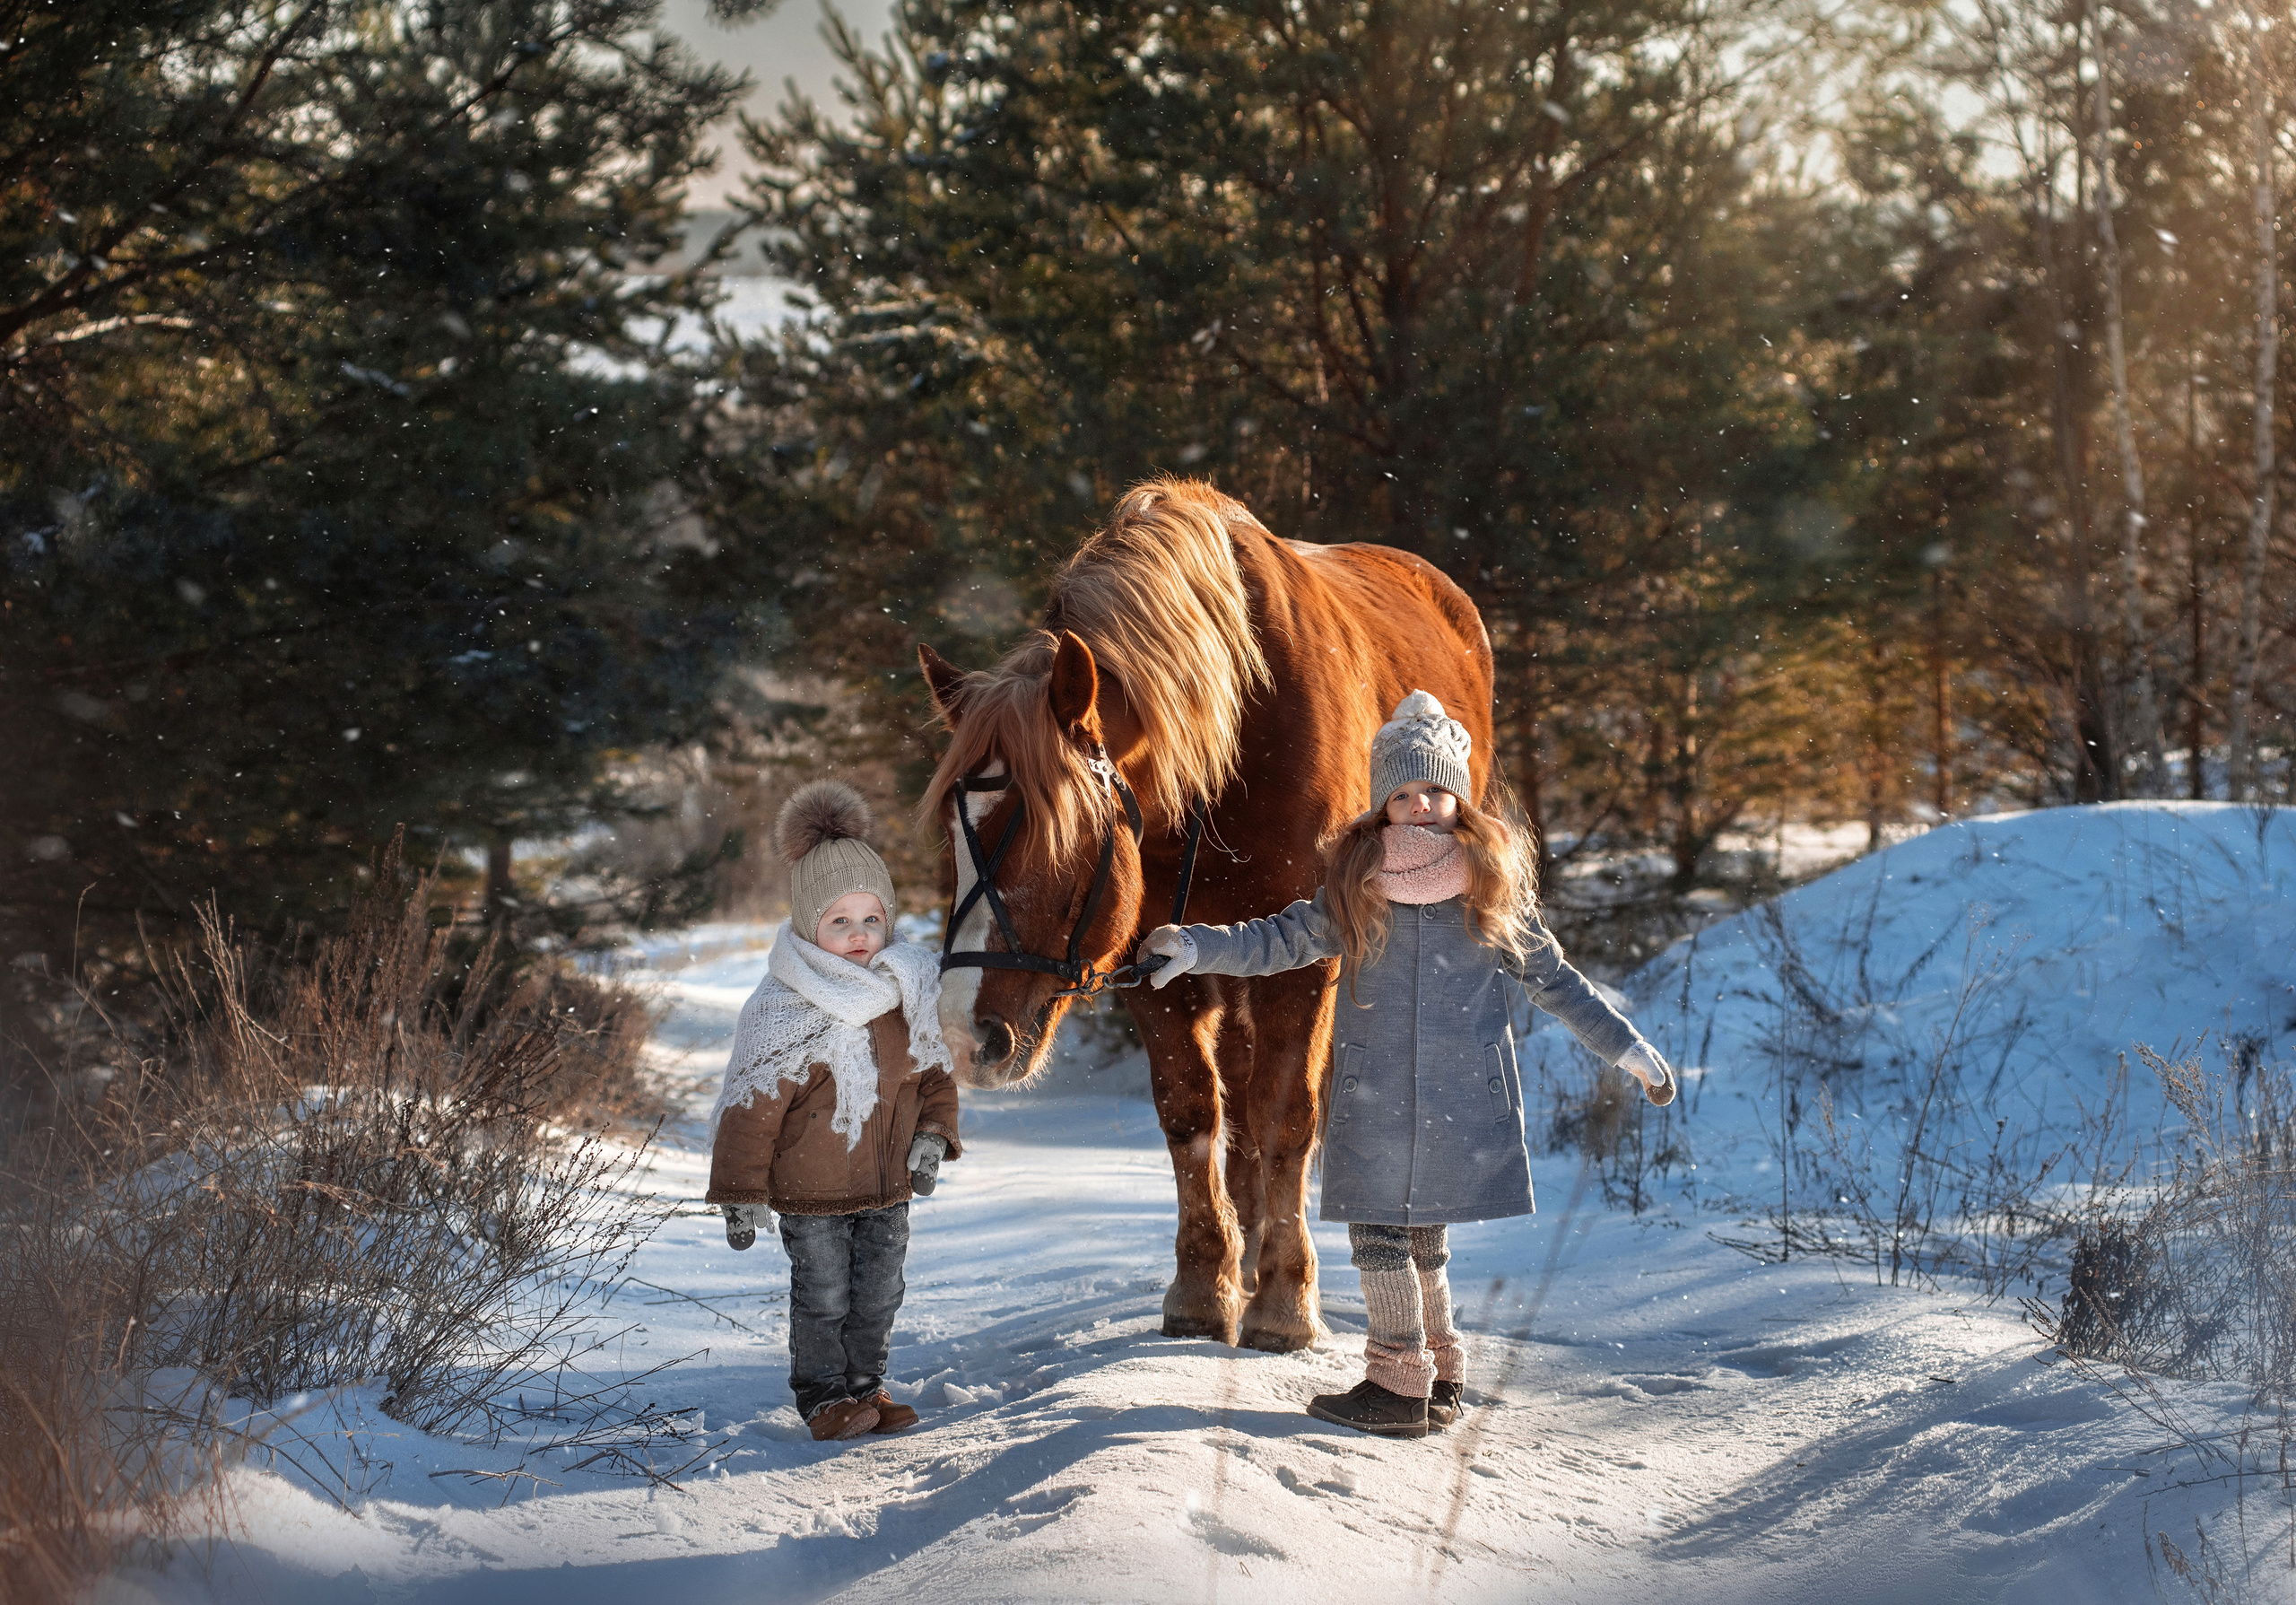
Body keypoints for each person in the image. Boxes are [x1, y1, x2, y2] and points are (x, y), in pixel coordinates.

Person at [1137, 691, 1674, 1439]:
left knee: (1405, 1240)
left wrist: (1627, 1047)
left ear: (1459, 796)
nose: (1420, 804)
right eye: (1402, 792)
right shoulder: (1354, 888)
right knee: (1398, 1238)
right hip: (1378, 1096)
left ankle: (1401, 1383)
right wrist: (1197, 946)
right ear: (1381, 804)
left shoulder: (1491, 892)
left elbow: (1556, 981)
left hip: (1459, 1096)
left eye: (1435, 789)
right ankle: (1435, 1372)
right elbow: (1276, 939)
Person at [707, 781, 962, 1442]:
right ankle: (823, 1396)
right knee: (824, 1297)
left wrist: (933, 1136)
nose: (857, 935)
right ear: (808, 924)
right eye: (839, 921)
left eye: (870, 919)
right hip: (809, 1193)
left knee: (879, 1294)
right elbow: (751, 1108)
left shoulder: (909, 990)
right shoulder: (783, 1005)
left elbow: (935, 1074)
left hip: (887, 1187)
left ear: (889, 919)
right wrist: (740, 1192)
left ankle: (865, 1386)